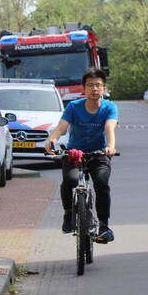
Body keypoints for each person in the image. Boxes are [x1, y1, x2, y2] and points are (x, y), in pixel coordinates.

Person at [45, 68, 119, 244]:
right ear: (83, 89)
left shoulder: (110, 108)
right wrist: (52, 140)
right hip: (74, 154)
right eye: (90, 85)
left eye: (98, 85)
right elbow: (62, 127)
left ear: (104, 88)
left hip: (99, 154)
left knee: (101, 183)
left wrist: (110, 147)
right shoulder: (74, 107)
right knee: (70, 180)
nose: (94, 89)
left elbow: (110, 127)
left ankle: (103, 225)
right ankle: (68, 214)